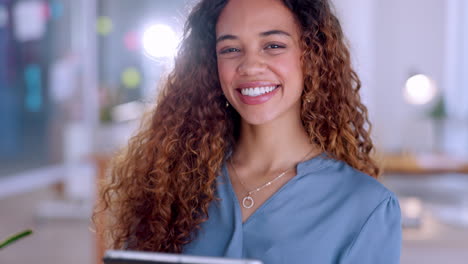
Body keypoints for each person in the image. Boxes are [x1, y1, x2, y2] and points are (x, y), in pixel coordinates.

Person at [95, 0, 402, 263]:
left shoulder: (366, 207)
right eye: (230, 49)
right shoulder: (169, 185)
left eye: (273, 45)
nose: (250, 65)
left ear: (310, 56)